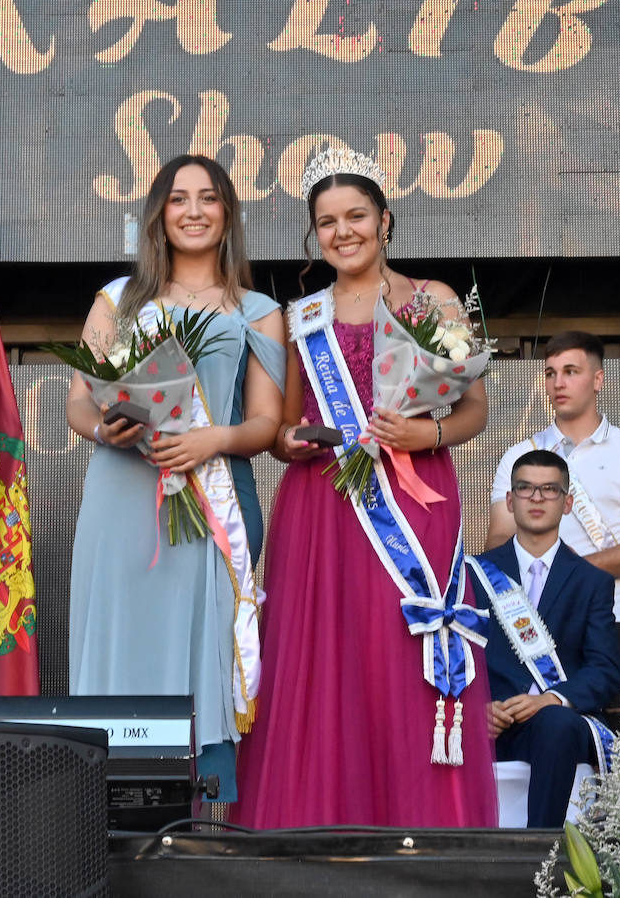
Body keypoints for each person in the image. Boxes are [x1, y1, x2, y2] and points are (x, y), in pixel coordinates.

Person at [231, 147, 497, 827]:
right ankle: (318, 826)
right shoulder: (301, 317)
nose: (342, 231)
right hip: (322, 504)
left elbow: (473, 407)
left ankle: (422, 825)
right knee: (326, 662)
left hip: (413, 496)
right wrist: (290, 440)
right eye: (327, 221)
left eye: (355, 215)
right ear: (315, 233)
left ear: (384, 219)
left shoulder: (432, 298)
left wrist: (426, 437)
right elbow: (288, 423)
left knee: (398, 657)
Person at [65, 155, 285, 802]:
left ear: (227, 214)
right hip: (121, 497)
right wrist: (105, 430)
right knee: (119, 639)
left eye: (209, 198)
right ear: (159, 212)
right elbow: (80, 401)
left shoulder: (259, 310)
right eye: (179, 198)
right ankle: (104, 811)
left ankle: (205, 829)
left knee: (204, 648)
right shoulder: (117, 300)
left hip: (207, 498)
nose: (193, 210)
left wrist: (212, 438)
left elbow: (267, 424)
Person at [487, 331, 620, 732]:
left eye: (571, 371)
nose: (558, 383)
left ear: (598, 379)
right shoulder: (519, 455)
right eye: (551, 373)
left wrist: (571, 578)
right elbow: (497, 545)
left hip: (617, 619)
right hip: (528, 622)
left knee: (619, 760)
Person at [470, 449, 620, 828]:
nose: (536, 498)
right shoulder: (472, 575)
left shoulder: (593, 582)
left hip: (554, 728)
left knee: (557, 723)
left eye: (549, 490)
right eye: (525, 488)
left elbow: (604, 670)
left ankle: (539, 855)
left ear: (567, 502)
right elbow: (455, 656)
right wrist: (476, 710)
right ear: (510, 500)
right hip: (488, 722)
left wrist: (549, 699)